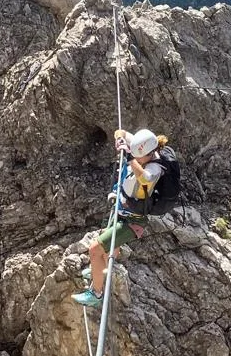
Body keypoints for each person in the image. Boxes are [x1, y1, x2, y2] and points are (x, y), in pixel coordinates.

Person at [73, 127, 175, 308]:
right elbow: (120, 132)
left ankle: (96, 294)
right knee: (110, 249)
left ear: (149, 154)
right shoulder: (142, 149)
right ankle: (99, 272)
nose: (136, 157)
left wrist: (129, 158)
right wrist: (120, 139)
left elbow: (144, 179)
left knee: (95, 249)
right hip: (123, 211)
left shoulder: (155, 168)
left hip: (132, 221)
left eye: (138, 156)